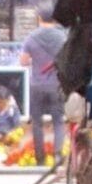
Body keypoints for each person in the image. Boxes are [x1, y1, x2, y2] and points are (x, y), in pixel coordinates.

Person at [22, 15, 70, 163]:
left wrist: (35, 60)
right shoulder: (62, 37)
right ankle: (57, 155)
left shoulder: (31, 37)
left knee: (37, 122)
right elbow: (68, 59)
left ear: (39, 18)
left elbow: (23, 61)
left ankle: (40, 158)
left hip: (37, 85)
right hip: (56, 85)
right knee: (58, 121)